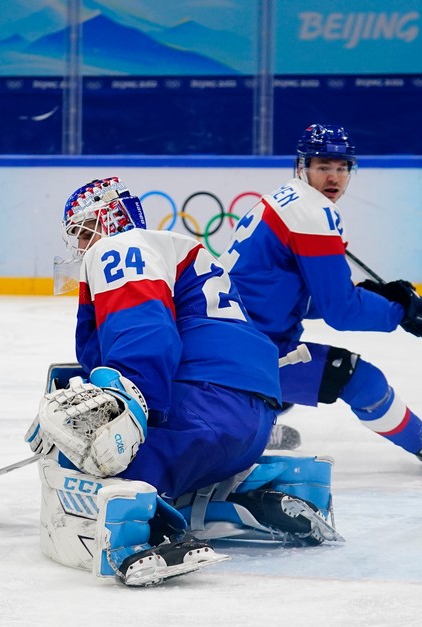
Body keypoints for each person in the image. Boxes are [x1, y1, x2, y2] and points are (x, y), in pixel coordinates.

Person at [27, 177, 342, 589]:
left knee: (80, 455)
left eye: (87, 230)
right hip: (248, 423)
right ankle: (246, 497)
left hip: (199, 406)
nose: (84, 244)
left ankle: (143, 531)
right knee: (168, 455)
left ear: (112, 219)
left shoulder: (121, 246)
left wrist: (126, 401)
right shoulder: (175, 250)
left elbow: (144, 332)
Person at [221, 124, 422, 476]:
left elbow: (285, 297)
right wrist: (400, 312)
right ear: (303, 166)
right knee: (359, 379)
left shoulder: (285, 198)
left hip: (231, 339)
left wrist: (368, 295)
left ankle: (246, 422)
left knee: (295, 373)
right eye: (323, 166)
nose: (334, 177)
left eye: (342, 168)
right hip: (245, 351)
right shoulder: (312, 214)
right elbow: (339, 311)